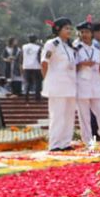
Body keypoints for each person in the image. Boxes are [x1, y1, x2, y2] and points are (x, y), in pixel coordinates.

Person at [40, 18, 78, 151]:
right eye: (66, 28)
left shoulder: (69, 46)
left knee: (69, 116)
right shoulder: (52, 44)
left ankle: (65, 143)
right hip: (57, 86)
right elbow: (44, 63)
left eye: (70, 28)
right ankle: (55, 144)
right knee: (57, 116)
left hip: (70, 85)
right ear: (58, 29)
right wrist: (47, 80)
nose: (69, 31)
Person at [73, 21, 100, 147]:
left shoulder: (98, 50)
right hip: (82, 84)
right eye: (82, 32)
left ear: (92, 34)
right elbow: (71, 67)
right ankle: (89, 143)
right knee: (84, 117)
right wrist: (82, 64)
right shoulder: (75, 49)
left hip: (96, 85)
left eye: (87, 32)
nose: (85, 34)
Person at [22, 34, 43, 102]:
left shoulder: (24, 47)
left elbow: (21, 56)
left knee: (27, 82)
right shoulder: (38, 47)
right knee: (38, 82)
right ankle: (37, 97)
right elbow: (39, 57)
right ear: (36, 40)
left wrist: (22, 64)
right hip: (36, 66)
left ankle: (26, 97)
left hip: (26, 66)